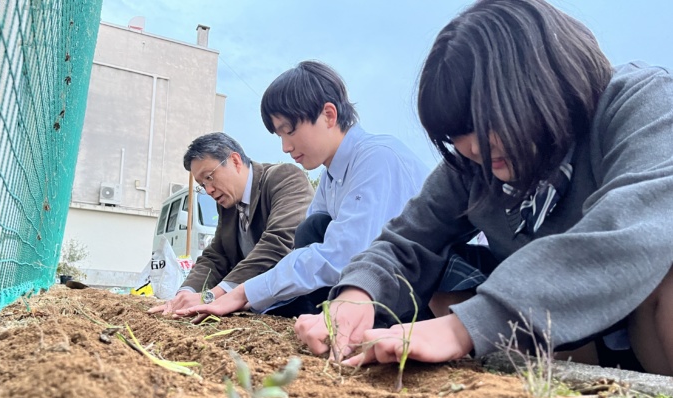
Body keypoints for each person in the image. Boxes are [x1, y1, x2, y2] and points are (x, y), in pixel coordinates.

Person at [294, 0, 673, 376]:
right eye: (457, 133)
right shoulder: (477, 163)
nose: (473, 147)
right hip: (568, 343)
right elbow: (408, 239)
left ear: (542, 81)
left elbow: (633, 229)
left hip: (648, 328)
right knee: (447, 275)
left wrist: (465, 326)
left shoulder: (642, 102)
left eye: (485, 121)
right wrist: (357, 296)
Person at [183, 61, 429, 320]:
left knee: (312, 230)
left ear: (329, 115)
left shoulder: (376, 160)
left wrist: (243, 293)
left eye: (289, 131)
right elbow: (304, 251)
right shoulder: (331, 177)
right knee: (312, 228)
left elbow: (343, 254)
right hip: (375, 285)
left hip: (423, 293)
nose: (285, 147)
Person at [148, 132, 313, 317]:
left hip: (299, 306)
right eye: (202, 185)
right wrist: (186, 293)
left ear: (235, 160)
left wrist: (212, 296)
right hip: (256, 308)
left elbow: (278, 243)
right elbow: (216, 255)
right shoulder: (228, 204)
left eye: (209, 177)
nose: (209, 190)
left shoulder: (284, 178)